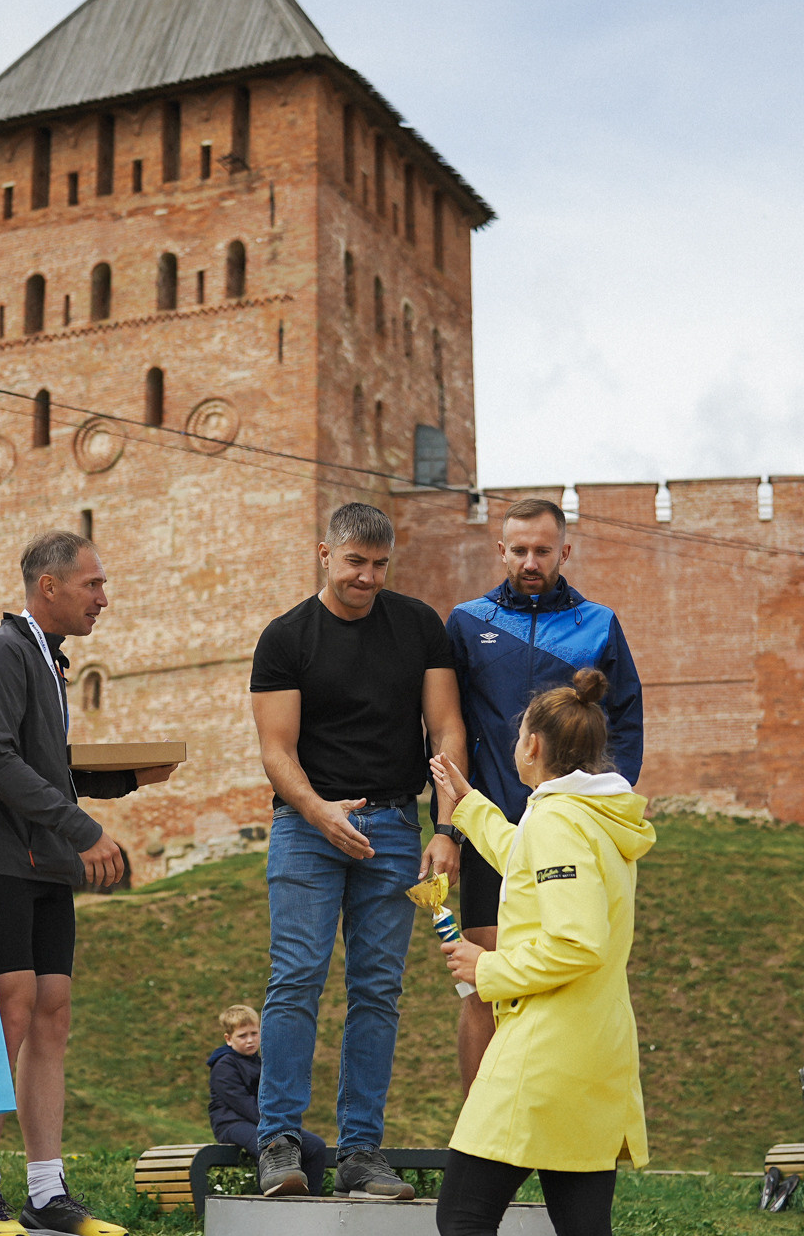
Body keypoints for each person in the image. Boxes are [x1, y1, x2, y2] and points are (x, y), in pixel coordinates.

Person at [428, 668, 653, 1236]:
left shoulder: (560, 824)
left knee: (462, 1214)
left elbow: (574, 939)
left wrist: (486, 969)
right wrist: (470, 804)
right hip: (599, 1051)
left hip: (545, 1047)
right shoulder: (589, 818)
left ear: (531, 746)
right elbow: (526, 854)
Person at [0, 530, 177, 1236]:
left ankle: (47, 1193)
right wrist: (84, 829)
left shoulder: (48, 660)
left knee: (52, 1012)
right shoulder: (2, 652)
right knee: (7, 1014)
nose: (103, 599)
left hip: (45, 863)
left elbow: (44, 766)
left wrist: (123, 780)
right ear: (48, 587)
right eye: (93, 586)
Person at [249, 502, 468, 1200]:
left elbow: (447, 730)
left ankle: (361, 1153)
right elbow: (275, 749)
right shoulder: (286, 637)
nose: (367, 578)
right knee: (297, 980)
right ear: (324, 554)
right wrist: (317, 812)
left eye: (379, 566)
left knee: (378, 991)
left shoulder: (418, 626)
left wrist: (446, 827)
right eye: (354, 563)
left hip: (398, 827)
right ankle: (279, 1143)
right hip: (307, 828)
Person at [445, 498, 643, 1092]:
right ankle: (478, 1135)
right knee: (482, 981)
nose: (531, 561)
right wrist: (448, 828)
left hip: (570, 828)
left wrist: (607, 804)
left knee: (561, 976)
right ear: (500, 551)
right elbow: (447, 725)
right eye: (519, 550)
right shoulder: (465, 621)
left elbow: (626, 722)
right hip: (489, 826)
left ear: (565, 551)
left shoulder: (599, 624)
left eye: (543, 550)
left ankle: (548, 1125)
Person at [207, 1003, 330, 1197]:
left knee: (315, 1146)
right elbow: (242, 1104)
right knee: (269, 1143)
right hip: (232, 1123)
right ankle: (265, 1203)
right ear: (228, 1039)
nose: (250, 1040)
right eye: (242, 1036)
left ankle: (311, 1201)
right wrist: (277, 1127)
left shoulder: (262, 1063)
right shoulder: (224, 1066)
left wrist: (285, 1125)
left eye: (254, 1033)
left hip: (266, 1121)